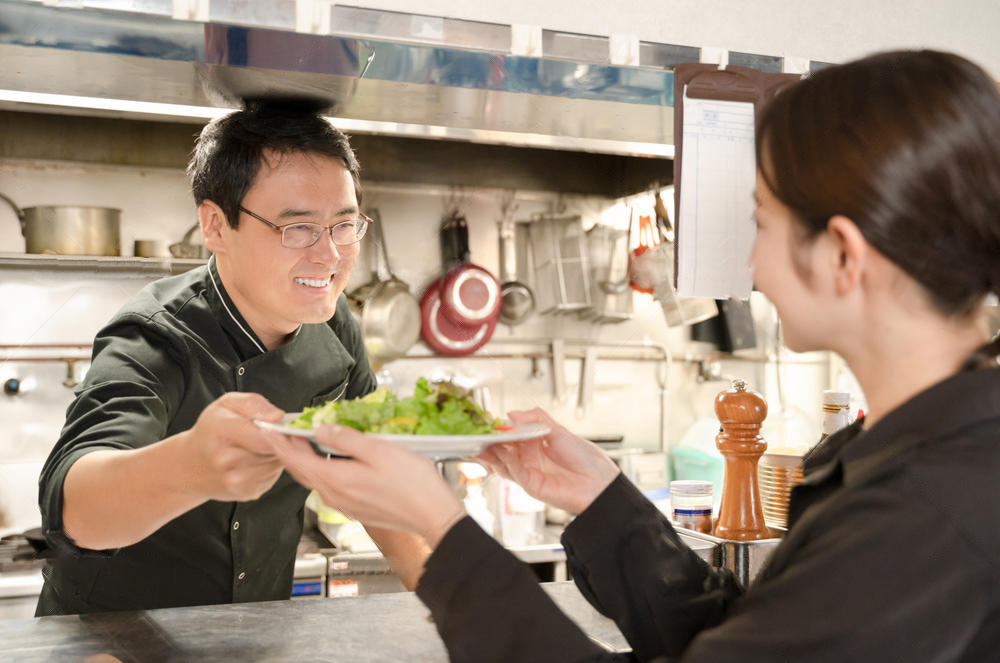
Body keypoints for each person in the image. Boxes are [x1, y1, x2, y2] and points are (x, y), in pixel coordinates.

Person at [272, 49, 1000, 661]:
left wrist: (442, 527)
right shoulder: (916, 456)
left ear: (843, 254)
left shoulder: (928, 514)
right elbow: (735, 641)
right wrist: (603, 500)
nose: (750, 263)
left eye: (762, 223)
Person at [36, 101, 427, 616]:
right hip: (112, 641)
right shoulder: (155, 335)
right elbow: (75, 506)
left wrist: (457, 601)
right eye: (298, 228)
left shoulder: (334, 328)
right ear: (216, 226)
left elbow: (373, 476)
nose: (330, 255)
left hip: (250, 638)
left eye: (344, 224)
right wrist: (193, 467)